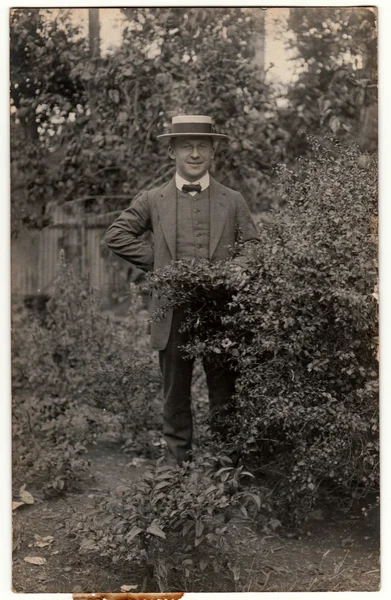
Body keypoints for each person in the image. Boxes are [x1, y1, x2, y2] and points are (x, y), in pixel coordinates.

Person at [105, 114, 260, 465]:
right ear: (172, 152)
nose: (194, 154)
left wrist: (238, 268)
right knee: (175, 397)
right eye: (186, 146)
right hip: (172, 311)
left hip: (222, 313)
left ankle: (226, 475)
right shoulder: (154, 199)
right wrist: (160, 262)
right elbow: (116, 235)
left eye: (201, 146)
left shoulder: (232, 200)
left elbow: (254, 246)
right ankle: (176, 475)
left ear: (213, 151)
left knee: (225, 397)